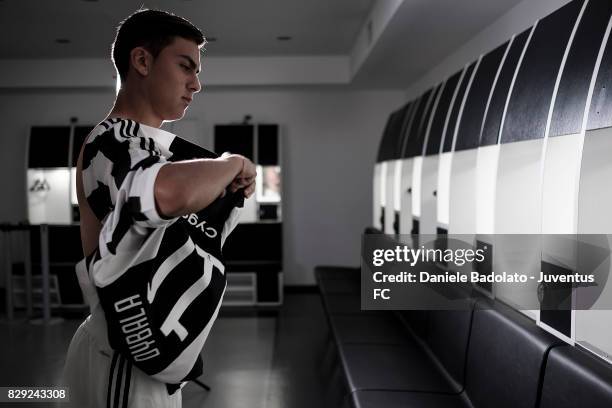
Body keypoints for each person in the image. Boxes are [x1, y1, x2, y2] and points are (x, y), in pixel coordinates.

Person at [62, 9, 256, 407]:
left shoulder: (151, 149)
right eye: (185, 66)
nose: (196, 84)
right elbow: (166, 195)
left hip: (146, 361)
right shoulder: (109, 141)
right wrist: (231, 163)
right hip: (124, 360)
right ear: (142, 61)